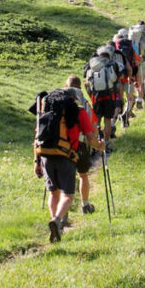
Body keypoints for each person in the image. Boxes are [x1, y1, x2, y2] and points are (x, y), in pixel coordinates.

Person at [31, 87, 103, 243]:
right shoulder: (79, 112)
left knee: (53, 193)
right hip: (66, 157)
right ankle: (57, 220)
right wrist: (100, 146)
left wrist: (37, 162)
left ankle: (56, 224)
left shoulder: (48, 113)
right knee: (68, 195)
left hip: (46, 157)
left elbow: (36, 138)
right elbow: (90, 138)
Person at [65, 76, 99, 215]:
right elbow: (94, 127)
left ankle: (63, 212)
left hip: (62, 145)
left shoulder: (59, 102)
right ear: (80, 88)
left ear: (66, 86)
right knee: (83, 175)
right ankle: (85, 205)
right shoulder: (84, 104)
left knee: (65, 177)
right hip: (80, 144)